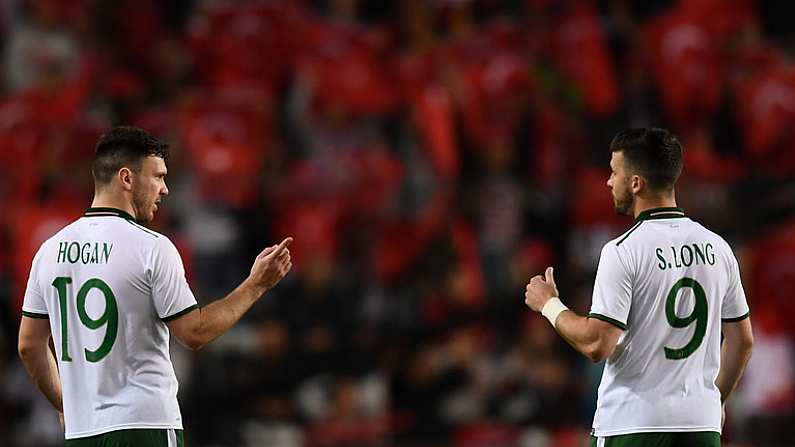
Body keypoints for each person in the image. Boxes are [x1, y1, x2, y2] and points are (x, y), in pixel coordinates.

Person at [17, 126, 293, 446]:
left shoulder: (49, 251)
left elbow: (29, 345)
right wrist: (255, 285)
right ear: (127, 178)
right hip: (145, 426)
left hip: (83, 433)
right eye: (158, 176)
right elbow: (194, 332)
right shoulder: (151, 247)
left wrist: (65, 404)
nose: (165, 189)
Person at [523, 128, 754, 446]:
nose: (608, 181)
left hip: (634, 427)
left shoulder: (623, 251)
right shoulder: (718, 248)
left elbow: (596, 344)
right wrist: (718, 400)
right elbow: (742, 342)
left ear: (635, 182)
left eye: (614, 172)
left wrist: (548, 304)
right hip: (700, 428)